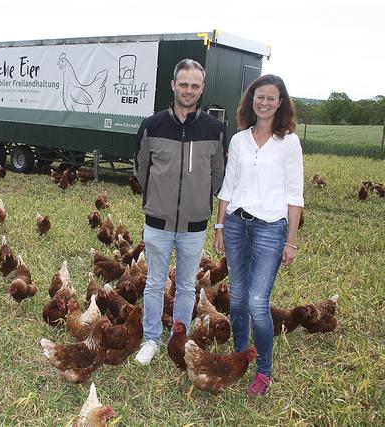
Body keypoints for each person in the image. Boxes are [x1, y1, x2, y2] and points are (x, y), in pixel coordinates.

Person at [213, 74, 303, 397]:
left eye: (271, 97)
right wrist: (220, 225)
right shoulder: (239, 140)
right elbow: (228, 186)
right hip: (237, 224)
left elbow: (295, 197)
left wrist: (291, 241)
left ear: (281, 103)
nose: (264, 102)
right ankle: (241, 355)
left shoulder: (289, 142)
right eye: (258, 97)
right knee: (236, 297)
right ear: (251, 101)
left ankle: (263, 370)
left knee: (255, 301)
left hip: (270, 229)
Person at [133, 59, 226, 365]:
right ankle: (150, 340)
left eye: (195, 85)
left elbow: (218, 175)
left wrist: (199, 200)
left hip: (194, 225)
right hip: (158, 223)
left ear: (202, 89)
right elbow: (141, 169)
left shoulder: (215, 130)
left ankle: (179, 339)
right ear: (173, 86)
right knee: (154, 284)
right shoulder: (152, 125)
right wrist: (158, 198)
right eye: (183, 84)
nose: (188, 90)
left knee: (186, 286)